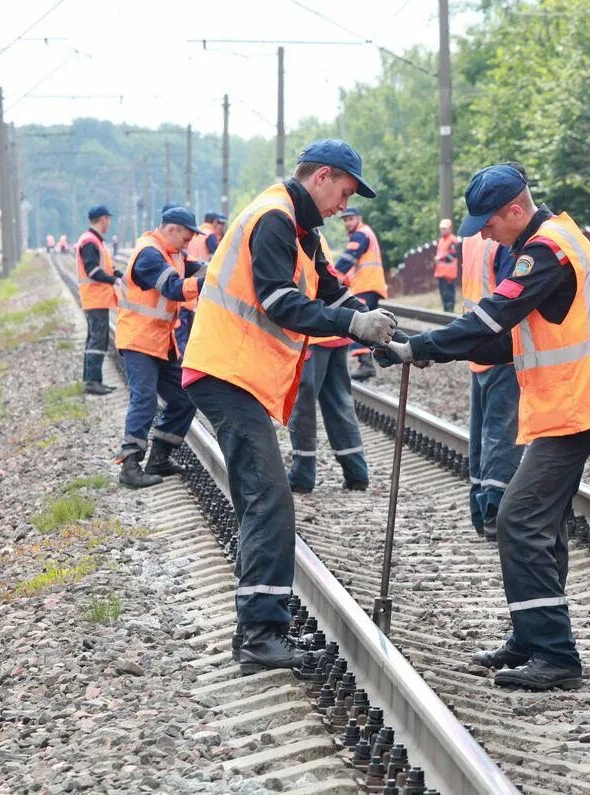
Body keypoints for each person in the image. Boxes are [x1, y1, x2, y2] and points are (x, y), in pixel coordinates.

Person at [378, 164, 590, 691]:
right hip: (563, 404)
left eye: (488, 223)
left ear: (515, 210)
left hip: (572, 407)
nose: (483, 234)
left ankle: (555, 654)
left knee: (519, 520)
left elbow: (492, 318)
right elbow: (506, 340)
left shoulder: (546, 251)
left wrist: (420, 346)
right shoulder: (552, 242)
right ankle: (532, 637)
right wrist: (430, 355)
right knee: (542, 525)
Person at [182, 140, 395, 674]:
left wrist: (382, 330)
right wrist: (352, 326)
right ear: (321, 176)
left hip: (238, 373)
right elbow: (280, 302)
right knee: (269, 500)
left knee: (265, 498)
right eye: (343, 192)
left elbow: (327, 289)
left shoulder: (301, 229)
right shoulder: (274, 218)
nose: (343, 206)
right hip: (225, 371)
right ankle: (259, 635)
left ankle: (260, 628)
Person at [458, 163, 527, 540]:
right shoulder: (504, 241)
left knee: (481, 433)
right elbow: (511, 298)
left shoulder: (471, 237)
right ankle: (494, 514)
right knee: (502, 433)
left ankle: (478, 507)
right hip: (502, 347)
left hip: (476, 346)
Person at [114, 207, 205, 489]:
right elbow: (174, 289)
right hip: (139, 340)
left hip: (162, 342)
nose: (188, 244)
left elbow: (195, 266)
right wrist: (207, 281)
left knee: (183, 398)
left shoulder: (172, 252)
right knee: (145, 400)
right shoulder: (149, 254)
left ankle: (159, 459)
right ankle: (130, 465)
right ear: (171, 229)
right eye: (186, 238)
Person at [287, 236, 371, 494]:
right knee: (339, 400)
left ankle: (302, 475)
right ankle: (356, 472)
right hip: (336, 332)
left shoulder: (294, 235)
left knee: (303, 404)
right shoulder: (315, 235)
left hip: (314, 333)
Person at [333, 207, 388, 380]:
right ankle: (369, 361)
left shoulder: (360, 235)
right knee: (369, 325)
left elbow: (349, 258)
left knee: (359, 324)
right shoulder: (365, 233)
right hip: (370, 284)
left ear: (359, 218)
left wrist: (333, 276)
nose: (348, 223)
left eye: (350, 219)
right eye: (345, 220)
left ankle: (366, 364)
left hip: (366, 285)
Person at [75, 205, 122, 395]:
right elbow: (93, 271)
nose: (108, 223)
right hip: (95, 299)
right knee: (97, 339)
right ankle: (92, 382)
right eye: (108, 219)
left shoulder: (94, 240)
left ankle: (94, 380)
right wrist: (115, 280)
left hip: (97, 299)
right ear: (103, 219)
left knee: (95, 339)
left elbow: (103, 268)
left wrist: (117, 273)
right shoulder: (90, 241)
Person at [177, 213, 226, 355]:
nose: (221, 228)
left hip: (187, 281)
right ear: (215, 222)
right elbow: (217, 258)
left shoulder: (194, 233)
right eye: (221, 224)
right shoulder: (210, 236)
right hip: (200, 283)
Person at [433, 218, 460, 312]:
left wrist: (440, 258)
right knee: (444, 296)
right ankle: (446, 314)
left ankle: (449, 314)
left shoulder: (452, 240)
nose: (442, 230)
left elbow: (452, 256)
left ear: (450, 229)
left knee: (449, 296)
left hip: (449, 274)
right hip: (441, 273)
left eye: (444, 228)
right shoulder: (441, 240)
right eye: (441, 228)